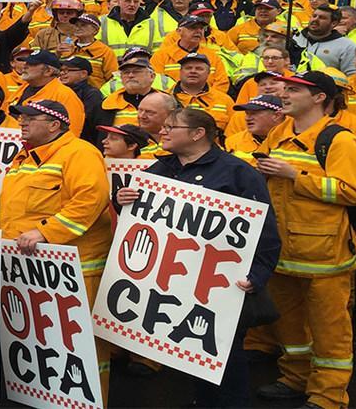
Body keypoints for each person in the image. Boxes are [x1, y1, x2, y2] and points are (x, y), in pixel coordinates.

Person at [118, 108, 280, 408]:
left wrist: (257, 275)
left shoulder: (237, 172)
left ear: (198, 134)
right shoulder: (159, 169)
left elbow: (265, 231)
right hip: (177, 287)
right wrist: (123, 202)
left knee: (226, 362)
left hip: (221, 288)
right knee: (193, 362)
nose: (162, 132)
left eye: (171, 126)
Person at [253, 71, 356, 409]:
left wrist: (295, 176)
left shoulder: (341, 140)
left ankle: (328, 395)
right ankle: (295, 377)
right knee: (288, 326)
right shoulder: (277, 132)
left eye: (293, 90)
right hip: (283, 252)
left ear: (320, 97)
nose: (283, 94)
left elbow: (353, 191)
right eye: (284, 88)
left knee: (330, 333)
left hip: (326, 258)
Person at [0, 100, 113, 402]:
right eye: (21, 118)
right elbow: (10, 207)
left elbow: (90, 199)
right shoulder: (23, 157)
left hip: (74, 268)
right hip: (28, 265)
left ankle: (87, 400)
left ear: (54, 125)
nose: (22, 122)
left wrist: (46, 232)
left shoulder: (80, 152)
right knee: (38, 337)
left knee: (78, 342)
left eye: (29, 118)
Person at [11, 50, 86, 136]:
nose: (25, 66)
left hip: (43, 147)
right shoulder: (22, 88)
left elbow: (72, 133)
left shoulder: (65, 95)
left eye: (32, 64)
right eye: (25, 62)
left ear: (48, 71)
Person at [292, 5, 356, 74]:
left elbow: (351, 76)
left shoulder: (347, 46)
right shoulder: (295, 38)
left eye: (322, 18)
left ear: (334, 23)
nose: (315, 19)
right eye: (314, 16)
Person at [225, 95, 286, 165]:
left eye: (254, 113)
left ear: (277, 116)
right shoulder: (233, 142)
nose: (247, 118)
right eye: (247, 113)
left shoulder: (292, 141)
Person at [60, 56, 103, 144]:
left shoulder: (91, 94)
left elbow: (88, 122)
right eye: (61, 70)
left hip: (83, 142)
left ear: (83, 74)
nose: (62, 73)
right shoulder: (59, 91)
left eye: (67, 70)